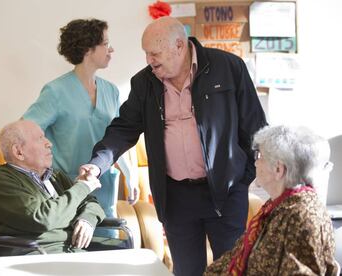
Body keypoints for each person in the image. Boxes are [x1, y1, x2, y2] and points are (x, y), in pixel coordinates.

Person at [80, 16, 267, 276]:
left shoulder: (228, 67)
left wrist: (244, 178)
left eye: (154, 53)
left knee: (233, 269)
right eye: (146, 54)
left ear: (179, 45)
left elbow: (255, 127)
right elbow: (124, 128)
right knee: (187, 271)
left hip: (225, 192)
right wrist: (98, 163)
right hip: (177, 197)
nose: (149, 60)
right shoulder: (144, 83)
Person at [23, 19, 139, 235]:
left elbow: (116, 136)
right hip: (66, 189)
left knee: (105, 248)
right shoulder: (55, 91)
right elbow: (25, 132)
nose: (111, 49)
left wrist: (129, 173)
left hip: (103, 185)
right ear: (88, 49)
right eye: (105, 43)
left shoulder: (111, 91)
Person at [205, 125, 338, 275]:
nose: (255, 162)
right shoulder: (277, 204)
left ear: (278, 169)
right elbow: (236, 256)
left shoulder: (302, 217)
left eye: (260, 156)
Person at [0, 120, 105, 255]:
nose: (49, 143)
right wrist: (83, 187)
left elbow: (90, 202)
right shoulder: (2, 180)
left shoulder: (55, 175)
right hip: (37, 253)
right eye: (40, 138)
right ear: (18, 152)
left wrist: (87, 219)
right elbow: (43, 219)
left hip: (70, 249)